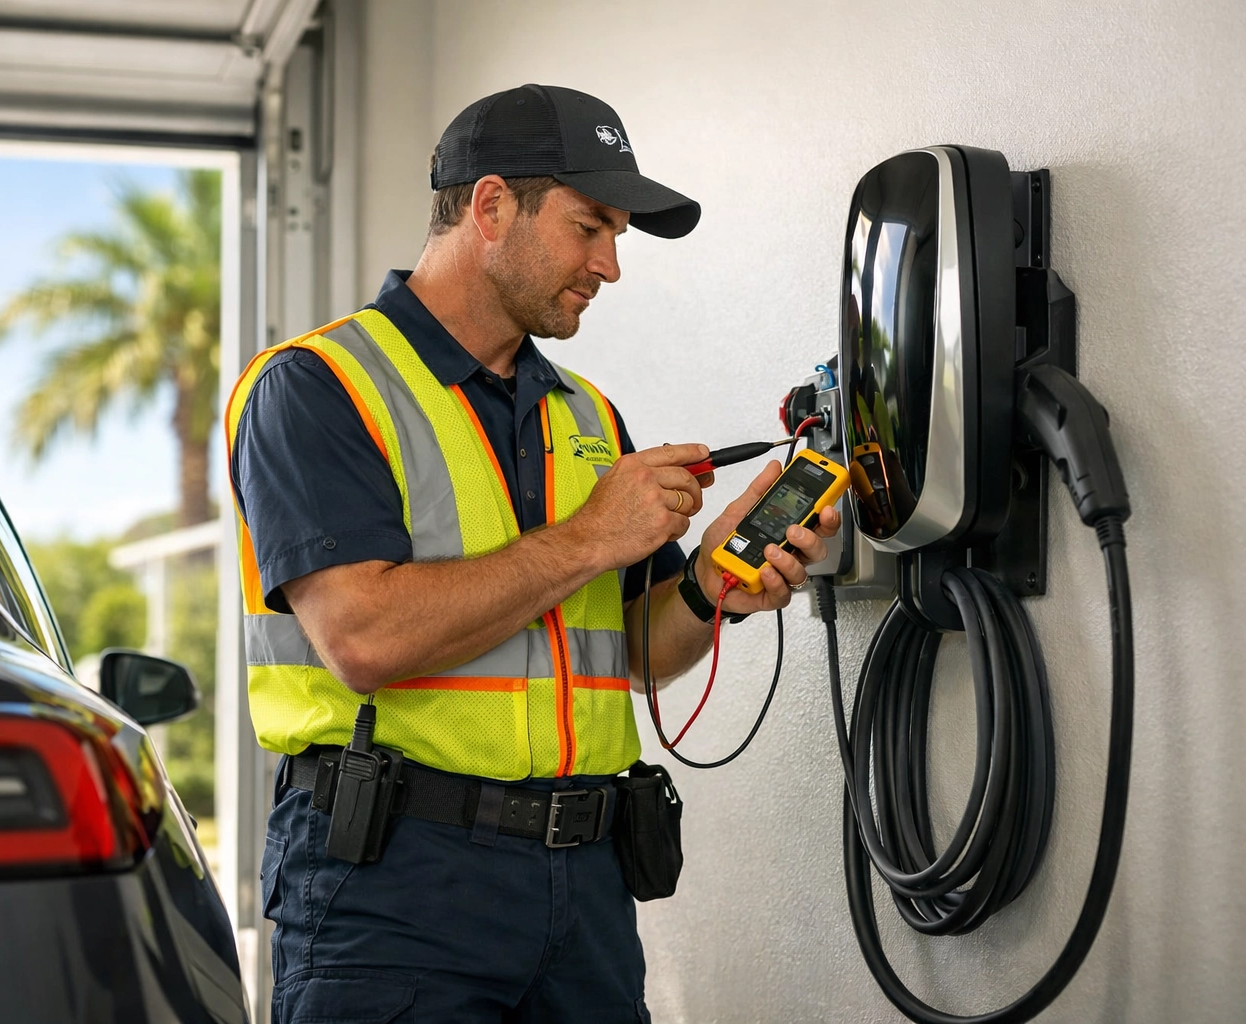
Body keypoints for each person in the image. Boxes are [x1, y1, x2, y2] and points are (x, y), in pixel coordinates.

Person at [226, 83, 839, 1023]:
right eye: (590, 226)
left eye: (618, 236)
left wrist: (713, 579)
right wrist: (594, 533)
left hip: (585, 893)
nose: (611, 265)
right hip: (393, 890)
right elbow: (364, 637)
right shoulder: (317, 388)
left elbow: (635, 655)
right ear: (491, 206)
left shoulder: (586, 415)